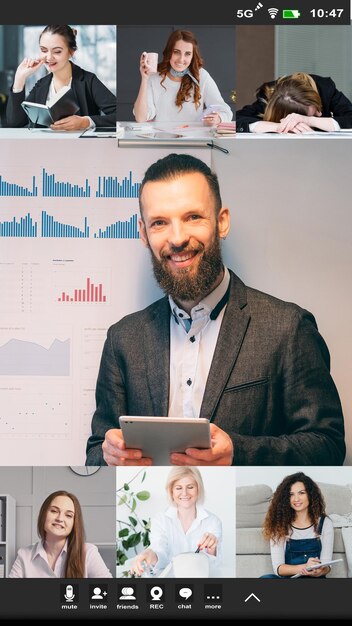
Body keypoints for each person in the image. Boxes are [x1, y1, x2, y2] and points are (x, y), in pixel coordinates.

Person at [85, 153, 345, 467]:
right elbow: (96, 451)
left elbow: (327, 447)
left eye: (193, 217)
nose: (178, 238)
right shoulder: (122, 339)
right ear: (143, 233)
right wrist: (106, 455)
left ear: (221, 221)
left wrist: (238, 452)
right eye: (160, 223)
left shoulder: (288, 328)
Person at [6, 25, 116, 130]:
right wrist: (20, 78)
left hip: (82, 147)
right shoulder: (41, 85)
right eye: (44, 50)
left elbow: (121, 115)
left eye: (57, 51)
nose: (49, 57)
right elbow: (15, 123)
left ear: (71, 52)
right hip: (44, 147)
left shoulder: (88, 81)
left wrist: (86, 122)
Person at [129, 467, 222, 577]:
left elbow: (213, 565)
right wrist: (149, 554)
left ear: (198, 489)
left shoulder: (213, 521)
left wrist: (212, 549)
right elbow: (160, 550)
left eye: (190, 487)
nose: (184, 493)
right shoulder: (160, 520)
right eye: (178, 488)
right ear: (171, 491)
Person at [133, 30, 233, 125]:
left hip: (193, 140)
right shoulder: (154, 76)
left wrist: (218, 118)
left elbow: (226, 111)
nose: (181, 59)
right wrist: (145, 78)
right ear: (169, 52)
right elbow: (140, 118)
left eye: (187, 54)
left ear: (193, 56)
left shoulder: (201, 76)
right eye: (176, 52)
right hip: (162, 139)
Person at [8, 490, 113, 577]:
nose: (60, 518)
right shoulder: (24, 555)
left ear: (74, 523)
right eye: (54, 511)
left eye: (68, 515)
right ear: (43, 514)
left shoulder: (88, 552)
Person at [261, 472, 334, 578]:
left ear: (310, 495)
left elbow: (327, 565)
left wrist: (320, 571)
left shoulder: (325, 523)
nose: (296, 499)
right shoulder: (279, 524)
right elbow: (279, 569)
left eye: (301, 493)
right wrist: (304, 567)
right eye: (291, 494)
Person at [236, 72, 352, 133]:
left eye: (318, 107)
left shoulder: (325, 89)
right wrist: (279, 127)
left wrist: (309, 120)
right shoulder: (268, 97)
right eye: (311, 114)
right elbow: (237, 119)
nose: (320, 114)